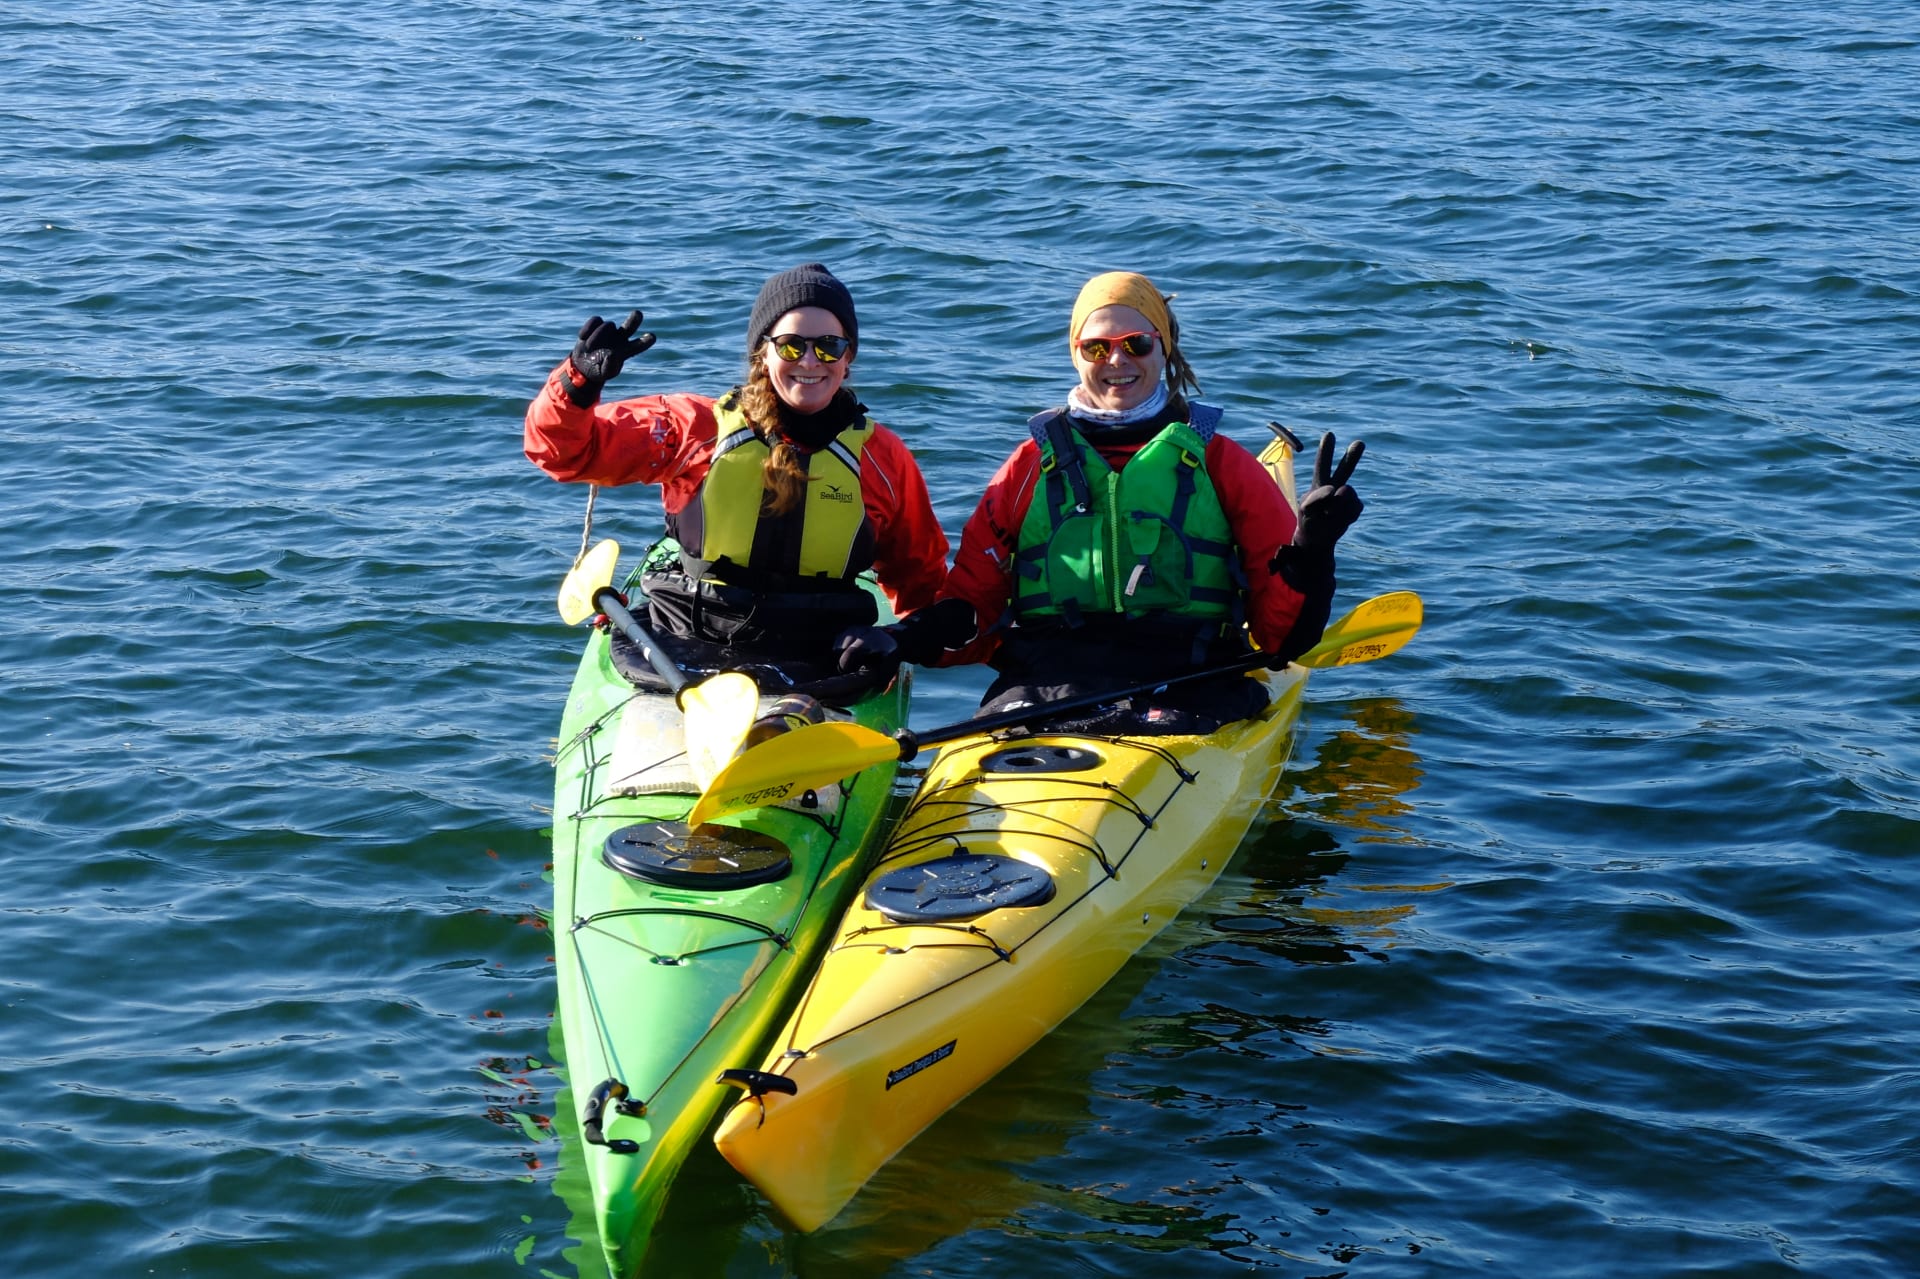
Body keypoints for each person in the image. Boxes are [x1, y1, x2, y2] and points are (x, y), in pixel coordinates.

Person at [902, 269, 1365, 733]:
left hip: (1194, 676)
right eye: (1096, 348)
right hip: (1047, 681)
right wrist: (904, 637)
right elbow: (973, 610)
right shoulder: (1027, 467)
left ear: (1164, 348)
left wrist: (1311, 551)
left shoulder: (1223, 464)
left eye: (1136, 344)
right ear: (1076, 354)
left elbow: (1281, 642)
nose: (1116, 360)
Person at [523, 263, 953, 688]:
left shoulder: (883, 458)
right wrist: (577, 384)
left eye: (828, 346)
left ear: (848, 357)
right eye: (790, 346)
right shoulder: (693, 428)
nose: (809, 360)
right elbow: (563, 453)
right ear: (762, 353)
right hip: (684, 646)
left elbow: (920, 581)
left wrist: (905, 636)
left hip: (821, 660)